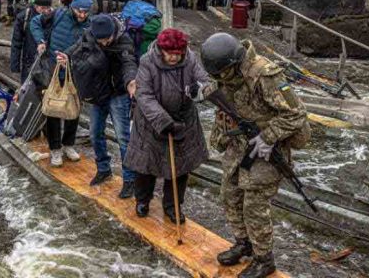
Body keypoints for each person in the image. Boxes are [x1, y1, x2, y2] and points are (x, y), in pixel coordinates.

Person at [202, 33, 309, 278]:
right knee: (230, 196)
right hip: (239, 146)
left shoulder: (265, 75)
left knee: (254, 206)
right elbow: (224, 110)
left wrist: (267, 137)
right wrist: (219, 139)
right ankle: (244, 243)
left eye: (222, 74)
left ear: (233, 64)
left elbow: (296, 114)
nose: (219, 80)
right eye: (216, 76)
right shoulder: (224, 77)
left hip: (268, 149)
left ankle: (264, 258)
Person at [125, 28, 210, 223]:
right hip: (151, 121)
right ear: (162, 50)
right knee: (146, 164)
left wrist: (201, 90)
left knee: (179, 167)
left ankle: (173, 206)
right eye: (170, 54)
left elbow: (204, 80)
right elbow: (144, 95)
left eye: (177, 54)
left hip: (183, 121)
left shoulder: (190, 58)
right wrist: (164, 122)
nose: (174, 58)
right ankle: (143, 200)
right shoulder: (147, 62)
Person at [59, 13, 137, 198]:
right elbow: (76, 49)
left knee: (124, 138)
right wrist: (65, 58)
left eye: (107, 39)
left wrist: (131, 81)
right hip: (97, 94)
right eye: (100, 40)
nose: (103, 43)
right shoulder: (90, 35)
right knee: (95, 134)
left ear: (113, 34)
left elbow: (129, 63)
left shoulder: (123, 40)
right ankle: (104, 169)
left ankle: (129, 179)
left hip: (118, 94)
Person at [41, 0, 92, 167]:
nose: (82, 15)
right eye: (79, 11)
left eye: (86, 12)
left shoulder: (89, 27)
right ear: (73, 7)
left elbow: (87, 50)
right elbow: (35, 22)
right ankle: (55, 148)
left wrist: (71, 60)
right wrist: (41, 41)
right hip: (54, 68)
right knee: (54, 109)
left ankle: (68, 144)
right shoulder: (58, 15)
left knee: (73, 108)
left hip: (75, 73)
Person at [10, 0, 54, 83]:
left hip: (47, 61)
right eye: (42, 8)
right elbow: (16, 42)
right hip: (29, 61)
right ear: (35, 6)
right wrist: (15, 65)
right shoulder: (24, 17)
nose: (46, 11)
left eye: (48, 8)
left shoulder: (54, 17)